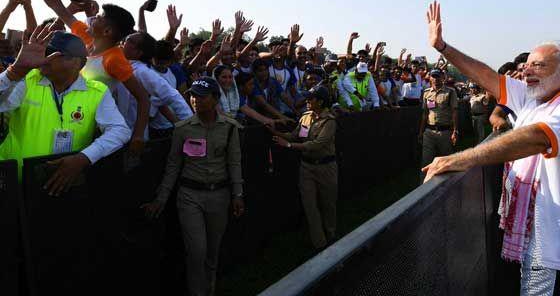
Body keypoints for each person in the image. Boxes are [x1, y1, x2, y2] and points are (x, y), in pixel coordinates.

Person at [422, 1, 560, 296]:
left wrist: (464, 158)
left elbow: (536, 137)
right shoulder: (535, 97)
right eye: (526, 66)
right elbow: (485, 75)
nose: (527, 72)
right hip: (534, 229)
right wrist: (443, 47)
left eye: (538, 65)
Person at [3, 0, 150, 155]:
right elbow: (56, 5)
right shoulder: (85, 39)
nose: (91, 18)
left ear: (107, 32)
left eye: (97, 18)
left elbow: (143, 98)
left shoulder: (114, 59)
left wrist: (138, 135)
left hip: (89, 130)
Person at [142, 77, 244, 296]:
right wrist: (161, 198)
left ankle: (210, 289)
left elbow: (234, 163)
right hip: (189, 196)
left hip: (219, 195)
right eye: (193, 95)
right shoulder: (182, 129)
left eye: (201, 96)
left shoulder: (229, 128)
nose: (195, 100)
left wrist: (238, 194)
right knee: (197, 250)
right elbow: (173, 165)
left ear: (215, 99)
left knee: (212, 252)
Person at [0, 26, 131, 193]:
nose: (43, 58)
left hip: (60, 182)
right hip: (12, 179)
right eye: (43, 52)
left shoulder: (97, 92)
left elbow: (120, 130)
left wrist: (84, 158)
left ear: (77, 62)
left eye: (51, 54)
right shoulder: (25, 80)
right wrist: (14, 71)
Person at [269, 86, 338, 250]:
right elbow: (294, 135)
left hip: (326, 167)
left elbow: (317, 144)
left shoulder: (329, 121)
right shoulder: (305, 117)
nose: (307, 101)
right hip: (306, 167)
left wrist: (289, 145)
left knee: (328, 204)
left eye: (311, 98)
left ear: (320, 102)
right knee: (309, 206)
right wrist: (276, 133)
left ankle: (331, 236)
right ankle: (320, 244)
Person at [419, 69, 458, 177]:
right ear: (430, 78)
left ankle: (448, 186)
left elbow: (454, 112)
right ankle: (423, 188)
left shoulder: (450, 92)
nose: (435, 79)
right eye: (433, 76)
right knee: (426, 162)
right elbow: (425, 114)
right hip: (429, 132)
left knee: (446, 162)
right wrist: (421, 132)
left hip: (445, 132)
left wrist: (455, 131)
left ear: (443, 77)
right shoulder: (426, 93)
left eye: (438, 76)